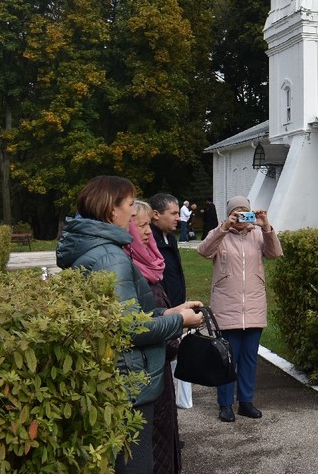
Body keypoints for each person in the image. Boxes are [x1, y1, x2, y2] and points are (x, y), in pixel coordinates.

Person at [56, 175, 202, 474]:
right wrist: (178, 321)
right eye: (128, 204)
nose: (134, 213)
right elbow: (130, 329)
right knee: (135, 463)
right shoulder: (112, 258)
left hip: (111, 372)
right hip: (129, 380)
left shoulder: (93, 251)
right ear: (112, 211)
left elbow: (120, 316)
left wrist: (167, 311)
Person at [197, 196, 283, 422]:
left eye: (246, 212)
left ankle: (246, 402)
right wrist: (224, 227)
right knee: (226, 359)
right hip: (227, 307)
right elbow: (204, 251)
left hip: (253, 307)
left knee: (249, 359)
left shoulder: (257, 234)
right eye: (238, 213)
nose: (243, 217)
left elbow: (275, 253)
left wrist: (267, 227)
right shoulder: (221, 234)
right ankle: (225, 404)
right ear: (229, 214)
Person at [125, 201, 181, 474]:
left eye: (148, 224)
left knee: (162, 443)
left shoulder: (151, 260)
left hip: (158, 367)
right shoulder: (129, 267)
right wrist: (176, 323)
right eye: (142, 225)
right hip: (147, 372)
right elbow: (137, 324)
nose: (148, 232)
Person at [150, 193, 193, 409]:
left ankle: (174, 428)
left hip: (176, 310)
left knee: (175, 367)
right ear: (155, 215)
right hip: (162, 314)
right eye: (173, 213)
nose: (178, 217)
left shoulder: (170, 238)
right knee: (164, 372)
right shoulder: (150, 241)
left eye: (179, 212)